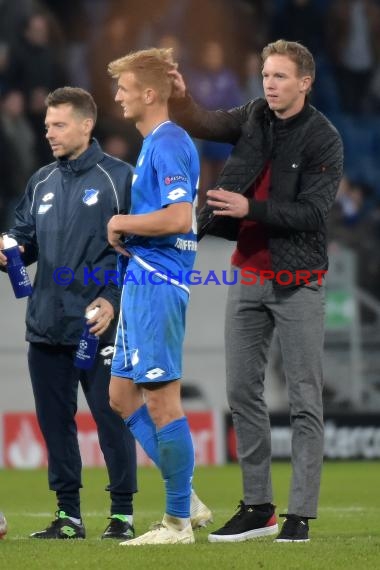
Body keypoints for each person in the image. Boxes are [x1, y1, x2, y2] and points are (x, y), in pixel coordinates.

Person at [169, 39, 344, 542]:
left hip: (298, 282)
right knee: (243, 392)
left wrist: (252, 211)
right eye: (266, 75)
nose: (269, 83)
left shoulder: (323, 138)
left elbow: (313, 212)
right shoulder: (252, 116)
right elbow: (202, 123)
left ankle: (299, 515)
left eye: (280, 76)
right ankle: (258, 506)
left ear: (305, 82)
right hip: (246, 274)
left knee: (305, 398)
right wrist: (181, 99)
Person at [0, 87, 138, 540]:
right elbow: (25, 236)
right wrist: (13, 251)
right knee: (55, 426)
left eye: (58, 125)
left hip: (98, 325)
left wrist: (113, 300)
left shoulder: (121, 179)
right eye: (46, 126)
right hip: (45, 325)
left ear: (85, 124)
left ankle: (121, 515)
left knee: (110, 417)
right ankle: (69, 517)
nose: (49, 134)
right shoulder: (41, 181)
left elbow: (141, 253)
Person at [106, 47, 209, 546]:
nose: (118, 95)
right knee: (121, 396)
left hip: (157, 282)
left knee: (163, 403)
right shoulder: (154, 144)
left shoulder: (168, 143)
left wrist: (120, 221)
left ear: (150, 93)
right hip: (140, 279)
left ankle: (177, 524)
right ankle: (184, 491)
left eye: (125, 86)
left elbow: (177, 217)